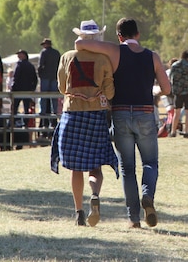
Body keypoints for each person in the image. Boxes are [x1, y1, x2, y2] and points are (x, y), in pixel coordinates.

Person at [75, 17, 171, 229]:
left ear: (119, 36)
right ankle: (148, 196)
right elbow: (167, 88)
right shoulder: (152, 56)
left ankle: (133, 218)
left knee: (127, 168)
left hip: (120, 113)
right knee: (150, 163)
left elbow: (80, 44)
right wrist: (152, 89)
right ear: (138, 34)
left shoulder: (115, 50)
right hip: (145, 113)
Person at [51, 19, 118, 227]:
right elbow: (110, 92)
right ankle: (95, 194)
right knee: (95, 166)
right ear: (97, 37)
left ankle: (78, 211)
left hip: (72, 115)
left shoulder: (66, 57)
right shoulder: (104, 59)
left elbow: (62, 88)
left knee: (75, 167)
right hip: (95, 115)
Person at [169, 51, 188, 138]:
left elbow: (170, 78)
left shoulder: (175, 65)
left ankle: (173, 132)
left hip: (178, 92)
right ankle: (186, 131)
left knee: (177, 112)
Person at [38, 38, 62, 130]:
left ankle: (43, 111)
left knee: (44, 95)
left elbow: (41, 65)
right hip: (55, 76)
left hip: (45, 77)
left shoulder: (43, 52)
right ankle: (54, 111)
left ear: (45, 45)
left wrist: (40, 74)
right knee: (54, 96)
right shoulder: (56, 53)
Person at [10, 49, 38, 117]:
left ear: (24, 55)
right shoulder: (30, 65)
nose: (18, 55)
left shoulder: (19, 65)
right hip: (27, 89)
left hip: (18, 90)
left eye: (20, 54)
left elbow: (16, 77)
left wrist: (13, 88)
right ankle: (25, 123)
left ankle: (13, 123)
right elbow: (35, 78)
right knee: (26, 108)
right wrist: (32, 88)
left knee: (15, 108)